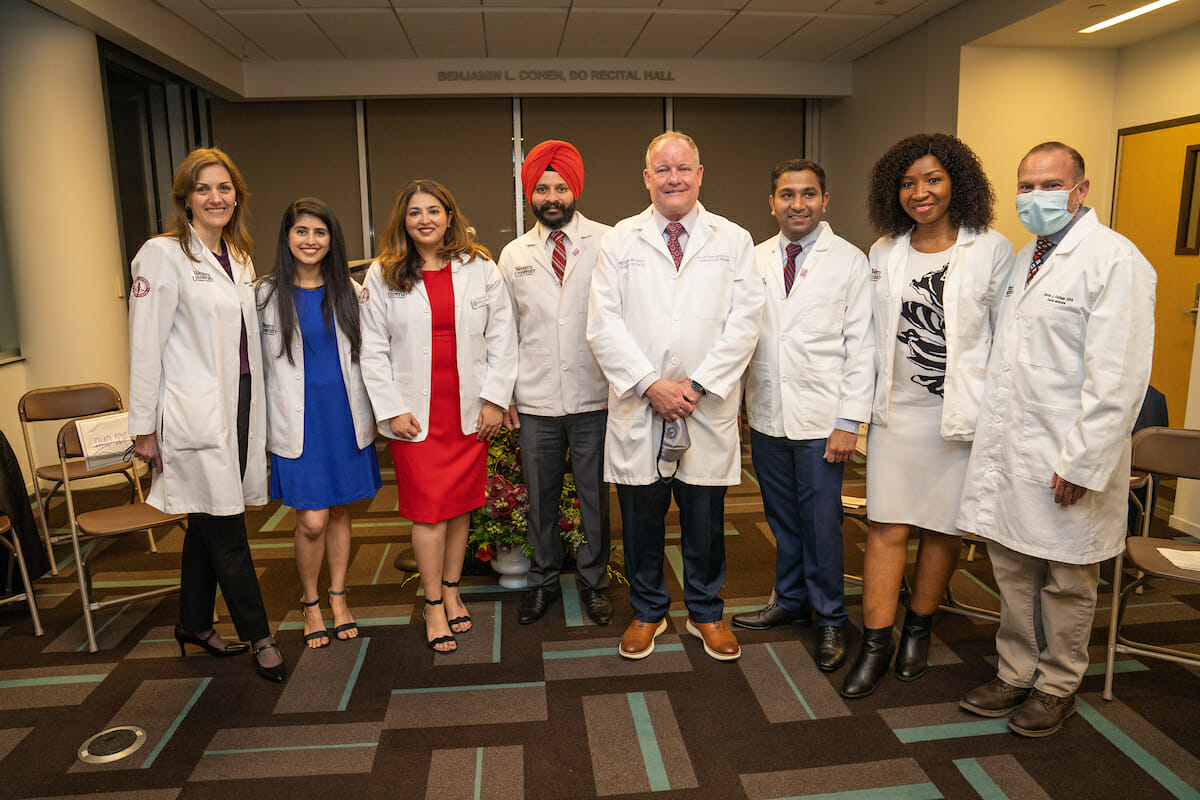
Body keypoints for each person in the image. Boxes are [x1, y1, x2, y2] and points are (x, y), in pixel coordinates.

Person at [958, 142, 1155, 737]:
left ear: (1081, 189)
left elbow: (1118, 378)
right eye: (1025, 185)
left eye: (1048, 184)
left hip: (1069, 453)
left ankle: (1058, 684)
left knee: (1068, 577)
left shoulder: (1115, 261)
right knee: (1014, 566)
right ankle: (1016, 671)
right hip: (1014, 446)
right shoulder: (1027, 258)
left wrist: (1083, 462)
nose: (1034, 196)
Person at [841, 133, 1014, 699]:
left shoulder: (989, 248)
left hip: (959, 416)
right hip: (898, 416)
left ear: (956, 184)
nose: (921, 192)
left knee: (942, 529)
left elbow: (1004, 336)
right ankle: (876, 641)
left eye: (933, 179)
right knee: (887, 527)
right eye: (909, 182)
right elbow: (868, 337)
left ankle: (918, 626)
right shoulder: (884, 250)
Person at [587, 131, 765, 662]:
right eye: (662, 170)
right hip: (641, 402)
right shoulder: (620, 240)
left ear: (700, 173)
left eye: (683, 168)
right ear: (647, 179)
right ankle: (648, 612)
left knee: (705, 517)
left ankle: (707, 613)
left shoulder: (732, 239)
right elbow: (603, 325)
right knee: (640, 517)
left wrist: (696, 385)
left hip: (703, 405)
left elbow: (745, 322)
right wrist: (650, 384)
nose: (673, 178)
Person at [128, 147, 286, 683]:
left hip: (239, 404)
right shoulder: (162, 254)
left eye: (224, 188)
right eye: (203, 189)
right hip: (192, 413)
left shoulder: (238, 256)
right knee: (226, 525)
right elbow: (145, 346)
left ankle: (193, 622)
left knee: (204, 518)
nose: (216, 198)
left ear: (236, 196)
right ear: (185, 199)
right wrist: (142, 427)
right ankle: (259, 634)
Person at [359, 179, 517, 653]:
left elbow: (502, 338)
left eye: (433, 210)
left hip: (467, 409)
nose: (424, 219)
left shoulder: (480, 267)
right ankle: (431, 604)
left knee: (461, 506)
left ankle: (452, 591)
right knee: (429, 513)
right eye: (414, 213)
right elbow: (372, 350)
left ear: (450, 217)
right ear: (402, 222)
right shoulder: (383, 273)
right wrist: (392, 408)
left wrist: (493, 399)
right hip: (415, 415)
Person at [732, 159, 874, 673]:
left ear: (825, 200)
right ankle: (790, 600)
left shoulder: (849, 261)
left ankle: (831, 616)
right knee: (781, 516)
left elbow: (863, 347)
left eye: (808, 194)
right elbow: (743, 337)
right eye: (787, 195)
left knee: (821, 523)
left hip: (822, 420)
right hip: (767, 414)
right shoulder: (753, 257)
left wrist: (848, 421)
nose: (798, 204)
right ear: (771, 202)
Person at [497, 141, 614, 626]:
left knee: (593, 497)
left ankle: (593, 584)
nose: (551, 197)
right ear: (531, 193)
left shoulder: (609, 242)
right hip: (536, 398)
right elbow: (504, 331)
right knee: (540, 498)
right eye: (542, 188)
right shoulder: (513, 254)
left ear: (575, 189)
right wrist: (503, 394)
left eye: (560, 187)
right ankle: (543, 583)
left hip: (595, 396)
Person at [257, 198, 382, 650]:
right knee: (312, 519)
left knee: (341, 510)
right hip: (299, 422)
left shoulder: (351, 292)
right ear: (287, 237)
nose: (311, 241)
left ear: (332, 241)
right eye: (302, 232)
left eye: (320, 233)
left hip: (345, 420)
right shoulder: (265, 296)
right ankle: (310, 603)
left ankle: (339, 597)